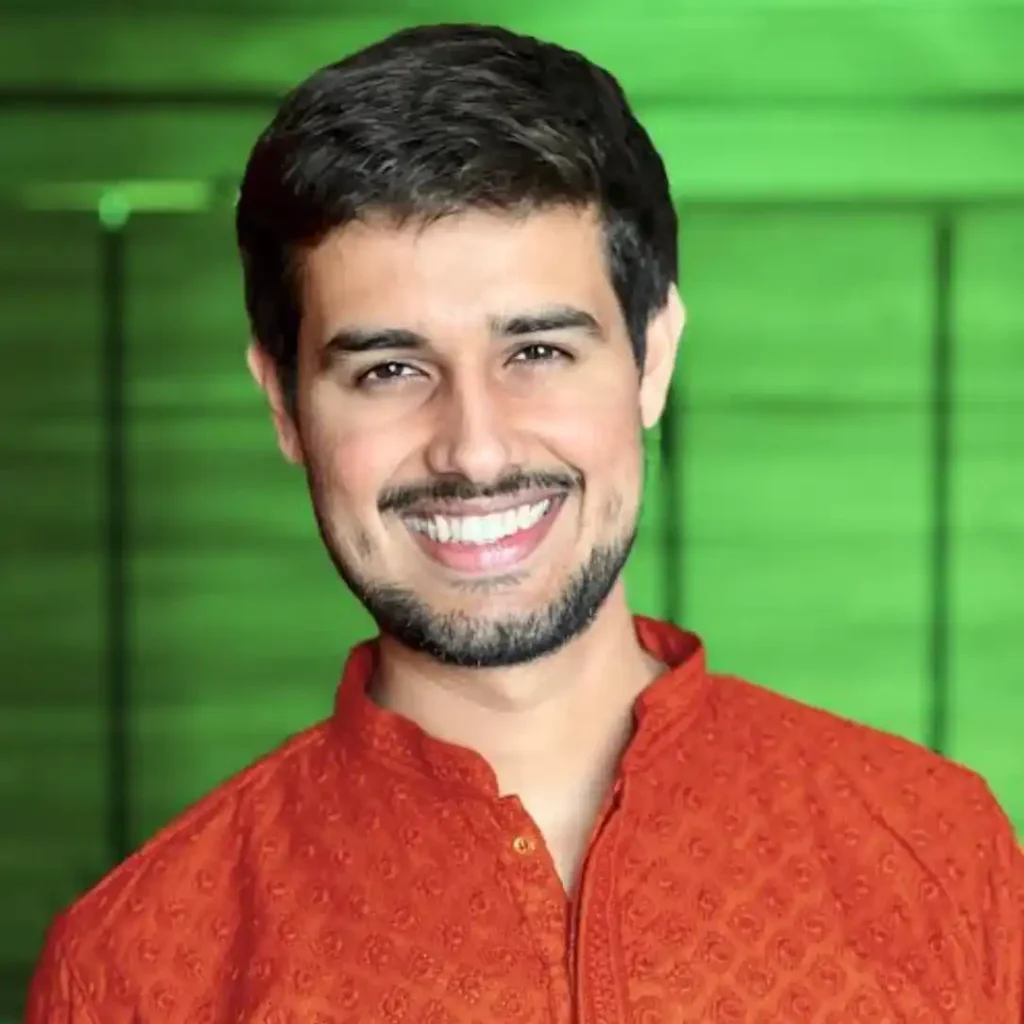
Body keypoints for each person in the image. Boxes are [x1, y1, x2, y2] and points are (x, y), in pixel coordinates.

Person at [26, 22, 1022, 1024]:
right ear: (284, 404)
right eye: (388, 370)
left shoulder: (936, 849)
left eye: (537, 351)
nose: (476, 448)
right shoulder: (139, 964)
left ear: (654, 358)